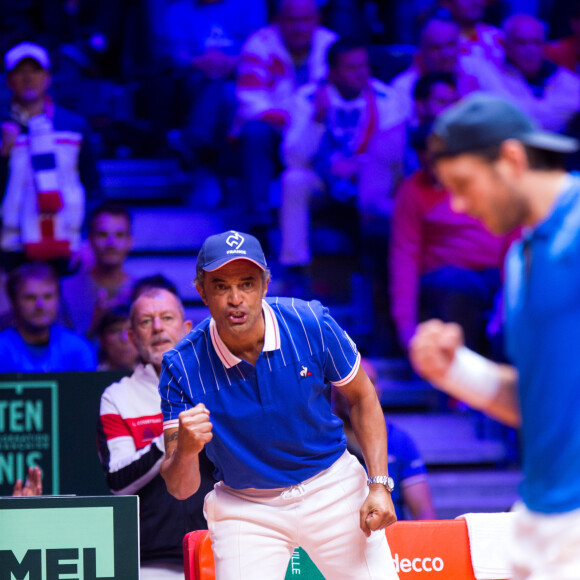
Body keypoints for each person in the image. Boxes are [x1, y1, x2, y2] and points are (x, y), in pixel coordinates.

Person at [158, 230, 399, 579]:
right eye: (221, 286)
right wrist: (186, 450)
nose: (235, 298)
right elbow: (182, 489)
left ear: (266, 285)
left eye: (247, 283)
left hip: (331, 486)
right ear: (202, 292)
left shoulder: (311, 323)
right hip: (246, 506)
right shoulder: (181, 366)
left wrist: (379, 485)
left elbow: (363, 397)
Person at [409, 92, 580, 579]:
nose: (459, 206)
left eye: (464, 185)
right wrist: (457, 371)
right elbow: (539, 401)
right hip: (544, 517)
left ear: (511, 158)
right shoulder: (520, 257)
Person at [97, 287, 216, 579]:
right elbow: (117, 482)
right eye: (146, 321)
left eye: (166, 317)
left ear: (187, 328)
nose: (158, 328)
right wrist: (172, 435)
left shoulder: (217, 383)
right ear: (132, 335)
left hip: (222, 547)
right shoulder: (118, 397)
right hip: (151, 562)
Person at [279, 38, 407, 272]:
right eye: (352, 68)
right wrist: (317, 120)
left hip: (369, 178)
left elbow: (395, 154)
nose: (362, 74)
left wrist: (361, 165)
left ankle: (380, 269)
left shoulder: (385, 97)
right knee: (293, 179)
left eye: (364, 67)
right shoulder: (307, 98)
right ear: (333, 72)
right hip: (323, 178)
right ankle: (295, 269)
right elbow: (294, 158)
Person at [0, 41, 101, 275]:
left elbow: (92, 185)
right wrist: (3, 152)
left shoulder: (74, 125)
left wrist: (87, 238)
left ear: (47, 77)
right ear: (8, 80)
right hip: (10, 243)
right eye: (20, 71)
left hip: (66, 239)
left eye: (35, 70)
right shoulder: (3, 128)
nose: (28, 78)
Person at [233, 0, 337, 222]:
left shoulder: (330, 44)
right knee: (254, 132)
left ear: (317, 20)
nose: (299, 27)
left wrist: (307, 122)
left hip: (318, 128)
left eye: (305, 20)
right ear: (278, 21)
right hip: (276, 128)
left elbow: (338, 98)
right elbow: (251, 104)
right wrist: (297, 118)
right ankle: (258, 215)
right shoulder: (259, 44)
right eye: (291, 20)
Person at [333, 358, 436, 521]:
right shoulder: (320, 439)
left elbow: (424, 512)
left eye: (369, 383)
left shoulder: (399, 440)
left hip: (391, 538)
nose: (360, 391)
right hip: (334, 536)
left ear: (378, 391)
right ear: (334, 390)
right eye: (351, 383)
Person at [475, 13, 580, 133]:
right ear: (506, 46)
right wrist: (557, 113)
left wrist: (526, 112)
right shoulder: (489, 74)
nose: (530, 49)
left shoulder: (567, 78)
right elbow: (505, 118)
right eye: (522, 43)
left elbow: (516, 115)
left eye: (536, 42)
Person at [0, 261, 96, 372]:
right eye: (30, 297)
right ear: (14, 302)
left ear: (58, 299)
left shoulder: (78, 348)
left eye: (48, 296)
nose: (40, 305)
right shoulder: (2, 349)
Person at [61, 202, 134, 338]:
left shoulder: (142, 291)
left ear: (130, 241)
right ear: (90, 240)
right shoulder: (65, 290)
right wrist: (97, 323)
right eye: (102, 234)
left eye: (119, 235)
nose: (111, 244)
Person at [95, 304, 138, 371]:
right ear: (102, 339)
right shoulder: (90, 379)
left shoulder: (156, 378)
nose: (124, 339)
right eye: (115, 331)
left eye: (131, 330)